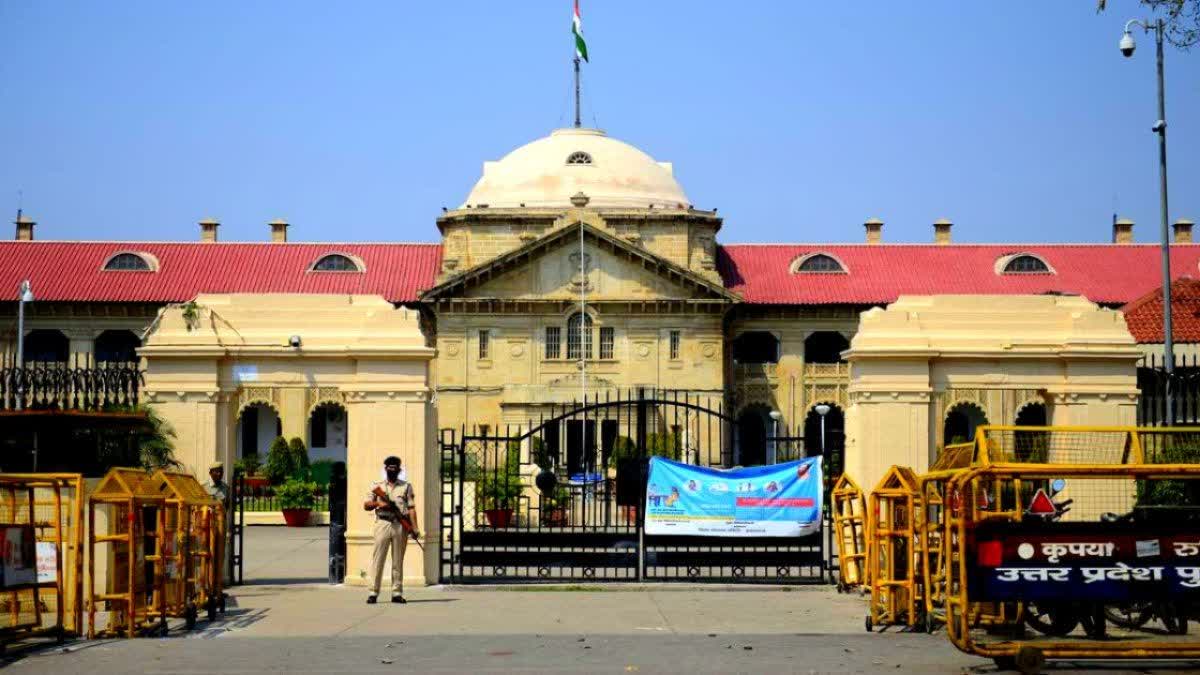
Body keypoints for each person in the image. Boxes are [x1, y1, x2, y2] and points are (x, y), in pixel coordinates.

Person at [364, 455, 420, 604]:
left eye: (395, 468)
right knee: (378, 559)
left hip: (400, 525)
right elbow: (366, 505)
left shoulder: (406, 486)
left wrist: (415, 527)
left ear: (399, 470)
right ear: (385, 469)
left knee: (398, 561)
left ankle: (396, 593)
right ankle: (373, 592)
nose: (392, 470)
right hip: (382, 523)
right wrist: (379, 504)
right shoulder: (377, 486)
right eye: (389, 468)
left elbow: (412, 508)